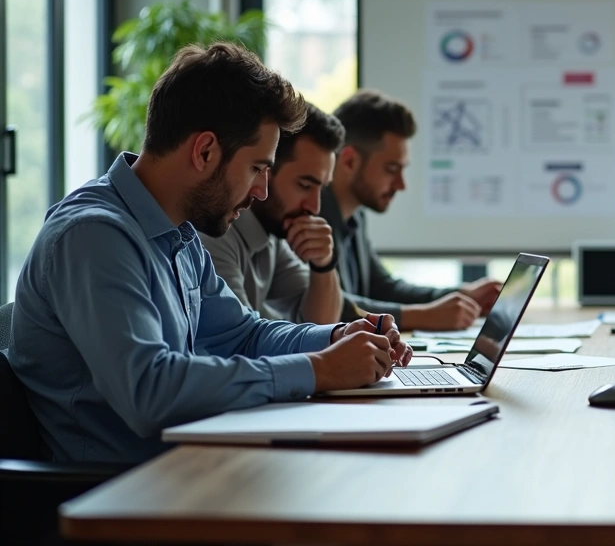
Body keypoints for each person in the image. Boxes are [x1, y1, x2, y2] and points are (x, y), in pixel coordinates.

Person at [6, 43, 411, 463]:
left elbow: (244, 335)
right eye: (257, 168)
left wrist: (336, 337)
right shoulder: (93, 236)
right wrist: (319, 369)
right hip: (120, 498)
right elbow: (150, 391)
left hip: (187, 470)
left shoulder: (178, 234)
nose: (262, 191)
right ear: (204, 152)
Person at [321, 89, 502, 330]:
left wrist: (463, 294)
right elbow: (330, 306)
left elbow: (383, 288)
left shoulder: (355, 215)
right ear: (350, 161)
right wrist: (423, 317)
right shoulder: (310, 214)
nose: (401, 185)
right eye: (391, 169)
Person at [201, 102, 345, 324]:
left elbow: (321, 324)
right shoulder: (215, 230)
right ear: (265, 169)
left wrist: (324, 263)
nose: (314, 207)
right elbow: (242, 340)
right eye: (305, 185)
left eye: (321, 189)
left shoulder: (271, 235)